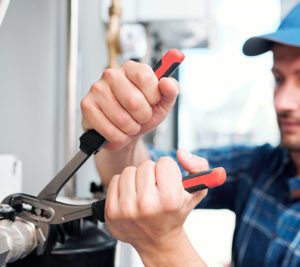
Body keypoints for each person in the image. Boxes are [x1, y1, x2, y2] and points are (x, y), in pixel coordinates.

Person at [81, 3, 300, 267]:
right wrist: (119, 134)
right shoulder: (265, 167)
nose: (283, 103)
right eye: (279, 79)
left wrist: (163, 246)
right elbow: (132, 171)